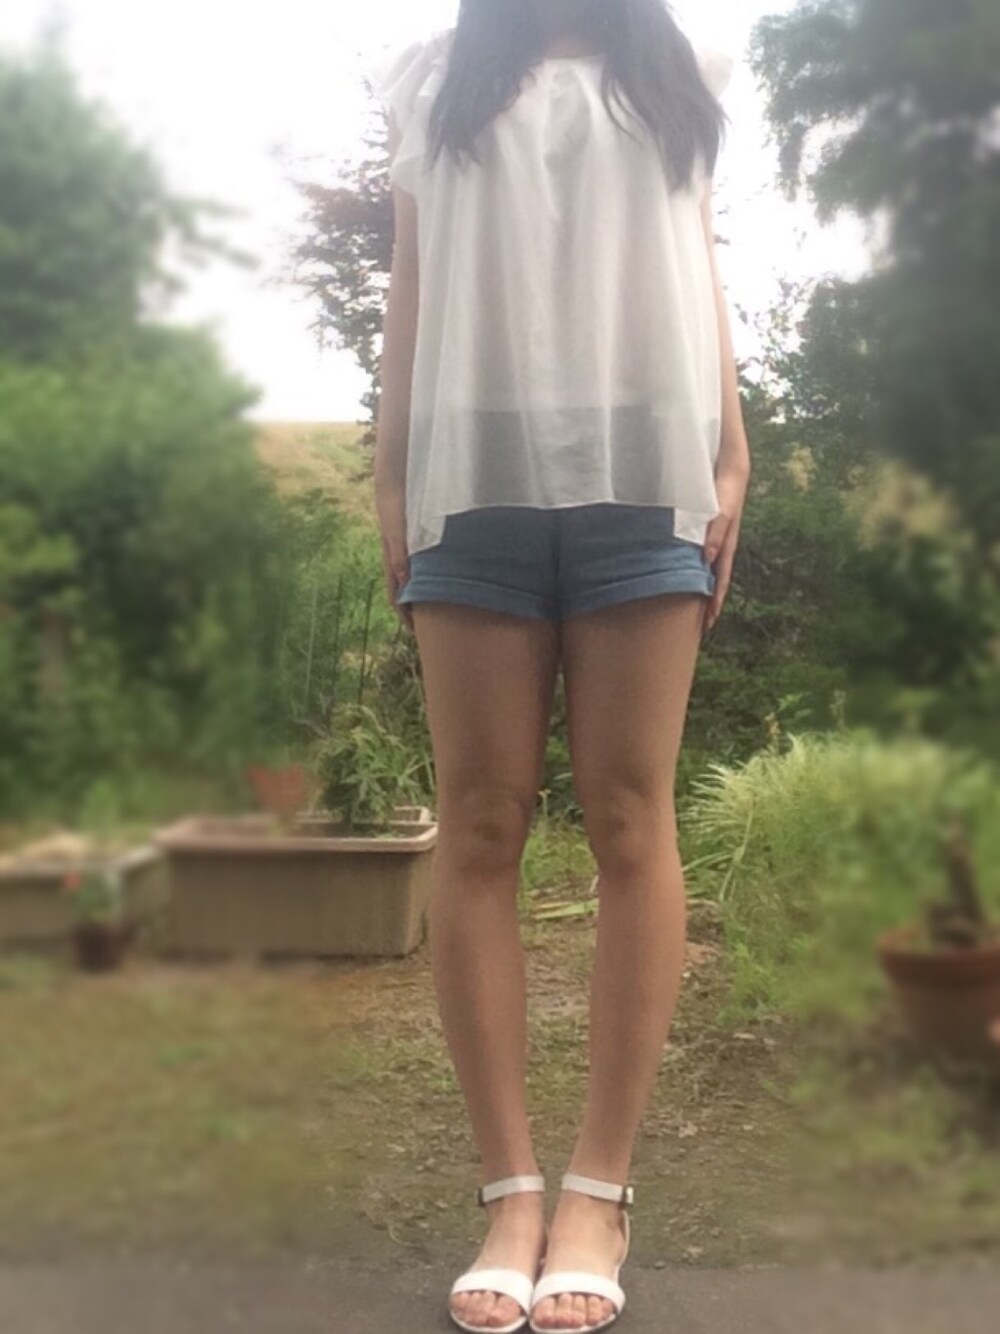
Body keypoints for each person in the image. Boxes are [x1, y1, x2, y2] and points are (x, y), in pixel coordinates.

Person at [369, 2, 750, 1330]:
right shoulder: (436, 79)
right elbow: (415, 281)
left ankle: (600, 1188)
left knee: (632, 816)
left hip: (645, 471)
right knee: (480, 823)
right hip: (470, 476)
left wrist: (733, 450)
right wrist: (390, 476)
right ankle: (510, 1190)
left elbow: (694, 259)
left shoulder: (679, 69)